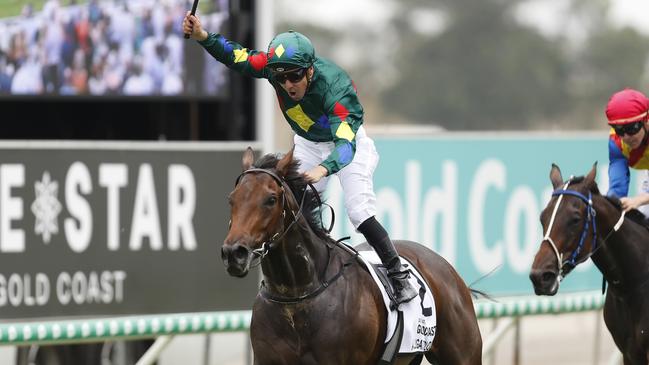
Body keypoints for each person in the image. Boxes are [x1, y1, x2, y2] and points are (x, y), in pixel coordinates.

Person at [182, 14, 418, 305]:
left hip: (347, 144)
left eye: (294, 76)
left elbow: (345, 145)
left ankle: (398, 274)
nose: (288, 84)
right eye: (280, 78)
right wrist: (204, 36)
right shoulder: (274, 70)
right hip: (307, 142)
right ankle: (306, 270)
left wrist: (324, 168)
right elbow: (238, 57)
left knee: (357, 210)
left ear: (309, 71)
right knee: (294, 204)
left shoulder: (337, 88)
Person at [606, 88, 649, 217]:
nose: (626, 137)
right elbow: (617, 188)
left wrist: (638, 200)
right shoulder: (616, 142)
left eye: (631, 128)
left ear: (646, 120)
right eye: (619, 130)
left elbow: (639, 200)